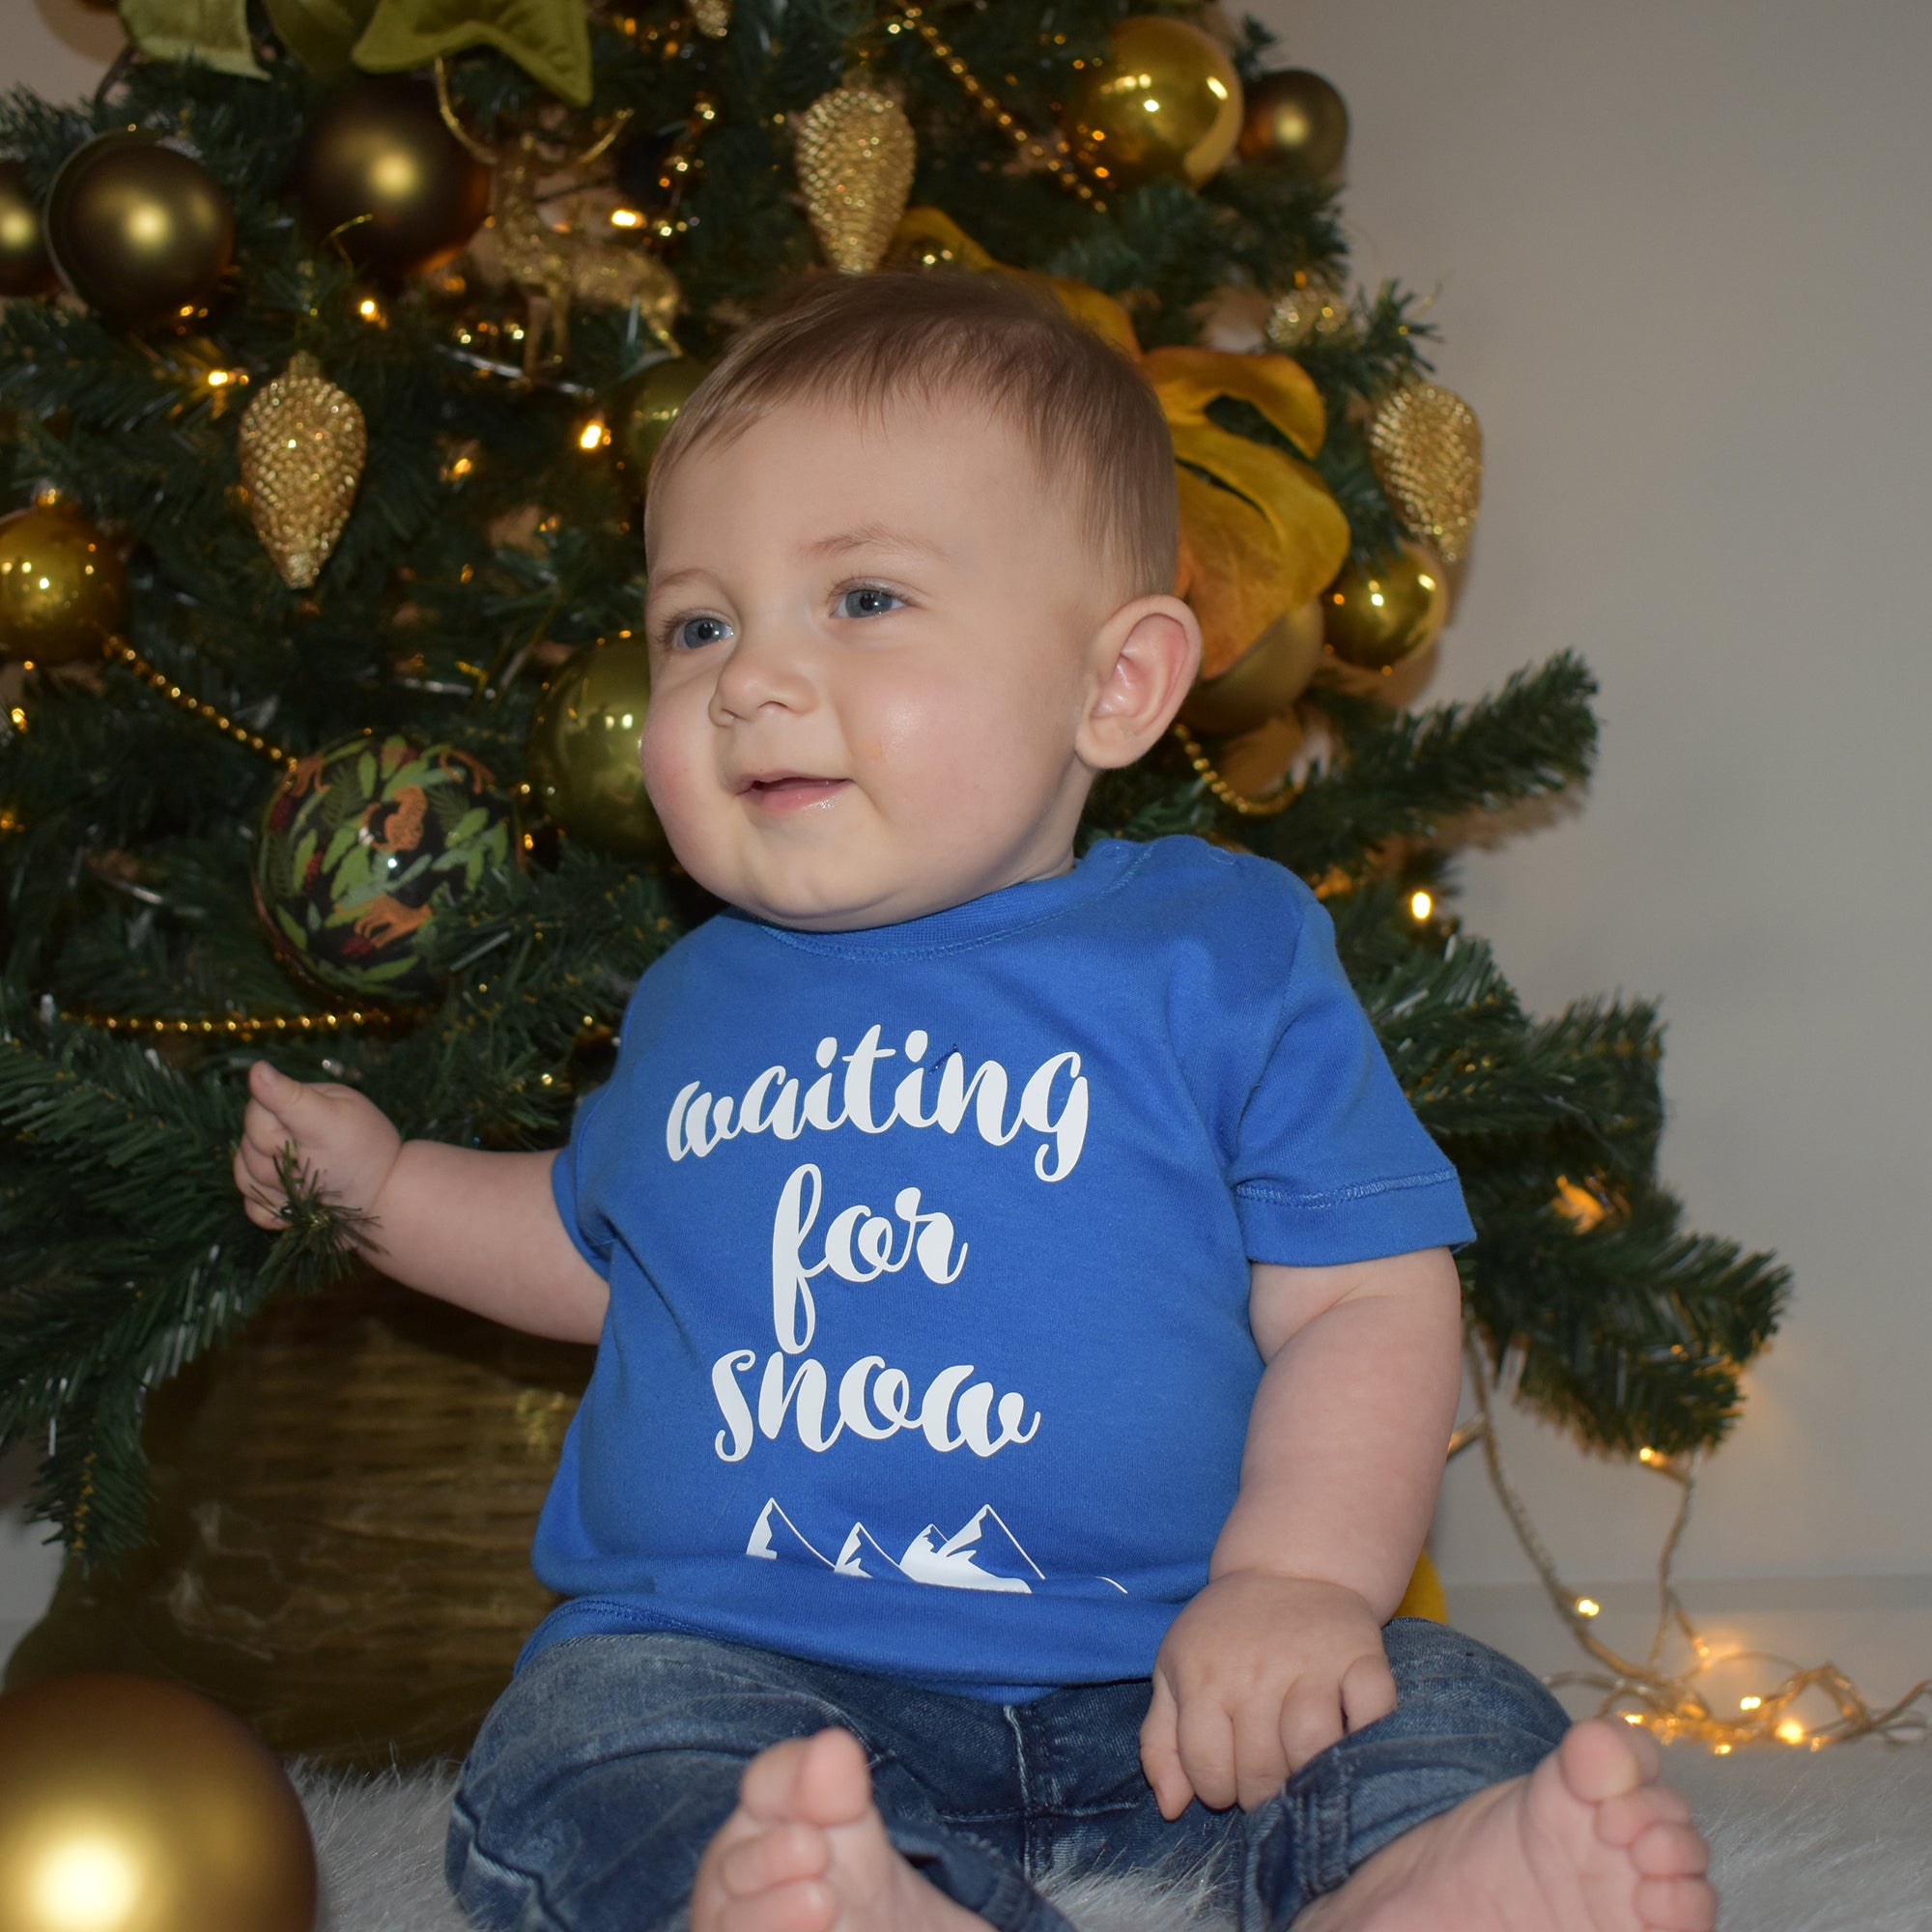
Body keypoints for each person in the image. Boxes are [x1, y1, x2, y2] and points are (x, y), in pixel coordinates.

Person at [233, 270, 1716, 1932]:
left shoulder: (1216, 952)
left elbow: (1364, 1297)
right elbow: (599, 1247)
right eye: (696, 624)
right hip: (751, 1670)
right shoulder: (690, 994)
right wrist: (381, 1184)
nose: (746, 680)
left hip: (1181, 1671)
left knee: (1433, 1704)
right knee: (586, 1740)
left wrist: (1295, 1586)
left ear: (1119, 687)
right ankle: (840, 1897)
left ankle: (1432, 1882)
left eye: (862, 598)